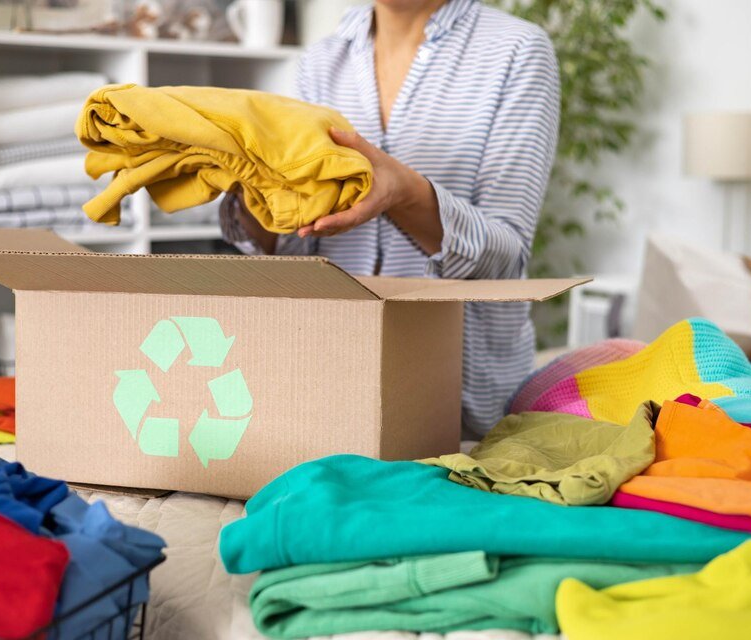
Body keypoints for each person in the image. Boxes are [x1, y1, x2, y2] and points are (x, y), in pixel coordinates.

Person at [222, 0, 560, 434]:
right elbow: (299, 244)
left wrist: (403, 193)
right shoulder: (321, 60)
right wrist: (249, 185)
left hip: (462, 411)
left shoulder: (517, 49)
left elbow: (505, 257)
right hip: (334, 386)